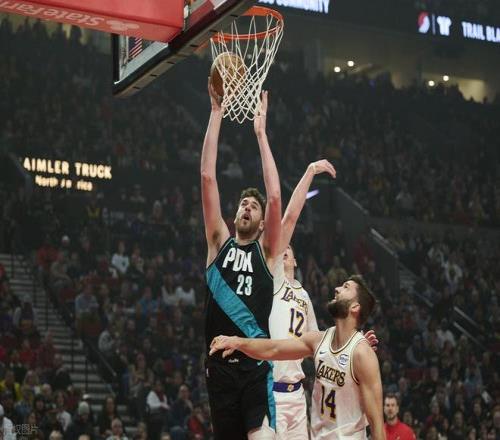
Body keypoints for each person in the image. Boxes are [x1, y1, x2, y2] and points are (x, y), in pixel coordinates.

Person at [201, 83, 281, 440]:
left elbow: (275, 197)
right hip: (219, 367)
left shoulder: (266, 252)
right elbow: (207, 178)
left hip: (255, 365)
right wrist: (216, 113)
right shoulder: (219, 242)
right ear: (234, 216)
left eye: (254, 207)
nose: (247, 207)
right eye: (243, 204)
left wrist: (261, 135)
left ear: (262, 223)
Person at [210, 276, 385, 439]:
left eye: (346, 287)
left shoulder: (362, 353)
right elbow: (274, 349)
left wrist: (362, 353)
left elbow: (377, 423)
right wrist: (238, 342)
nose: (337, 289)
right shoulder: (319, 340)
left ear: (355, 307)